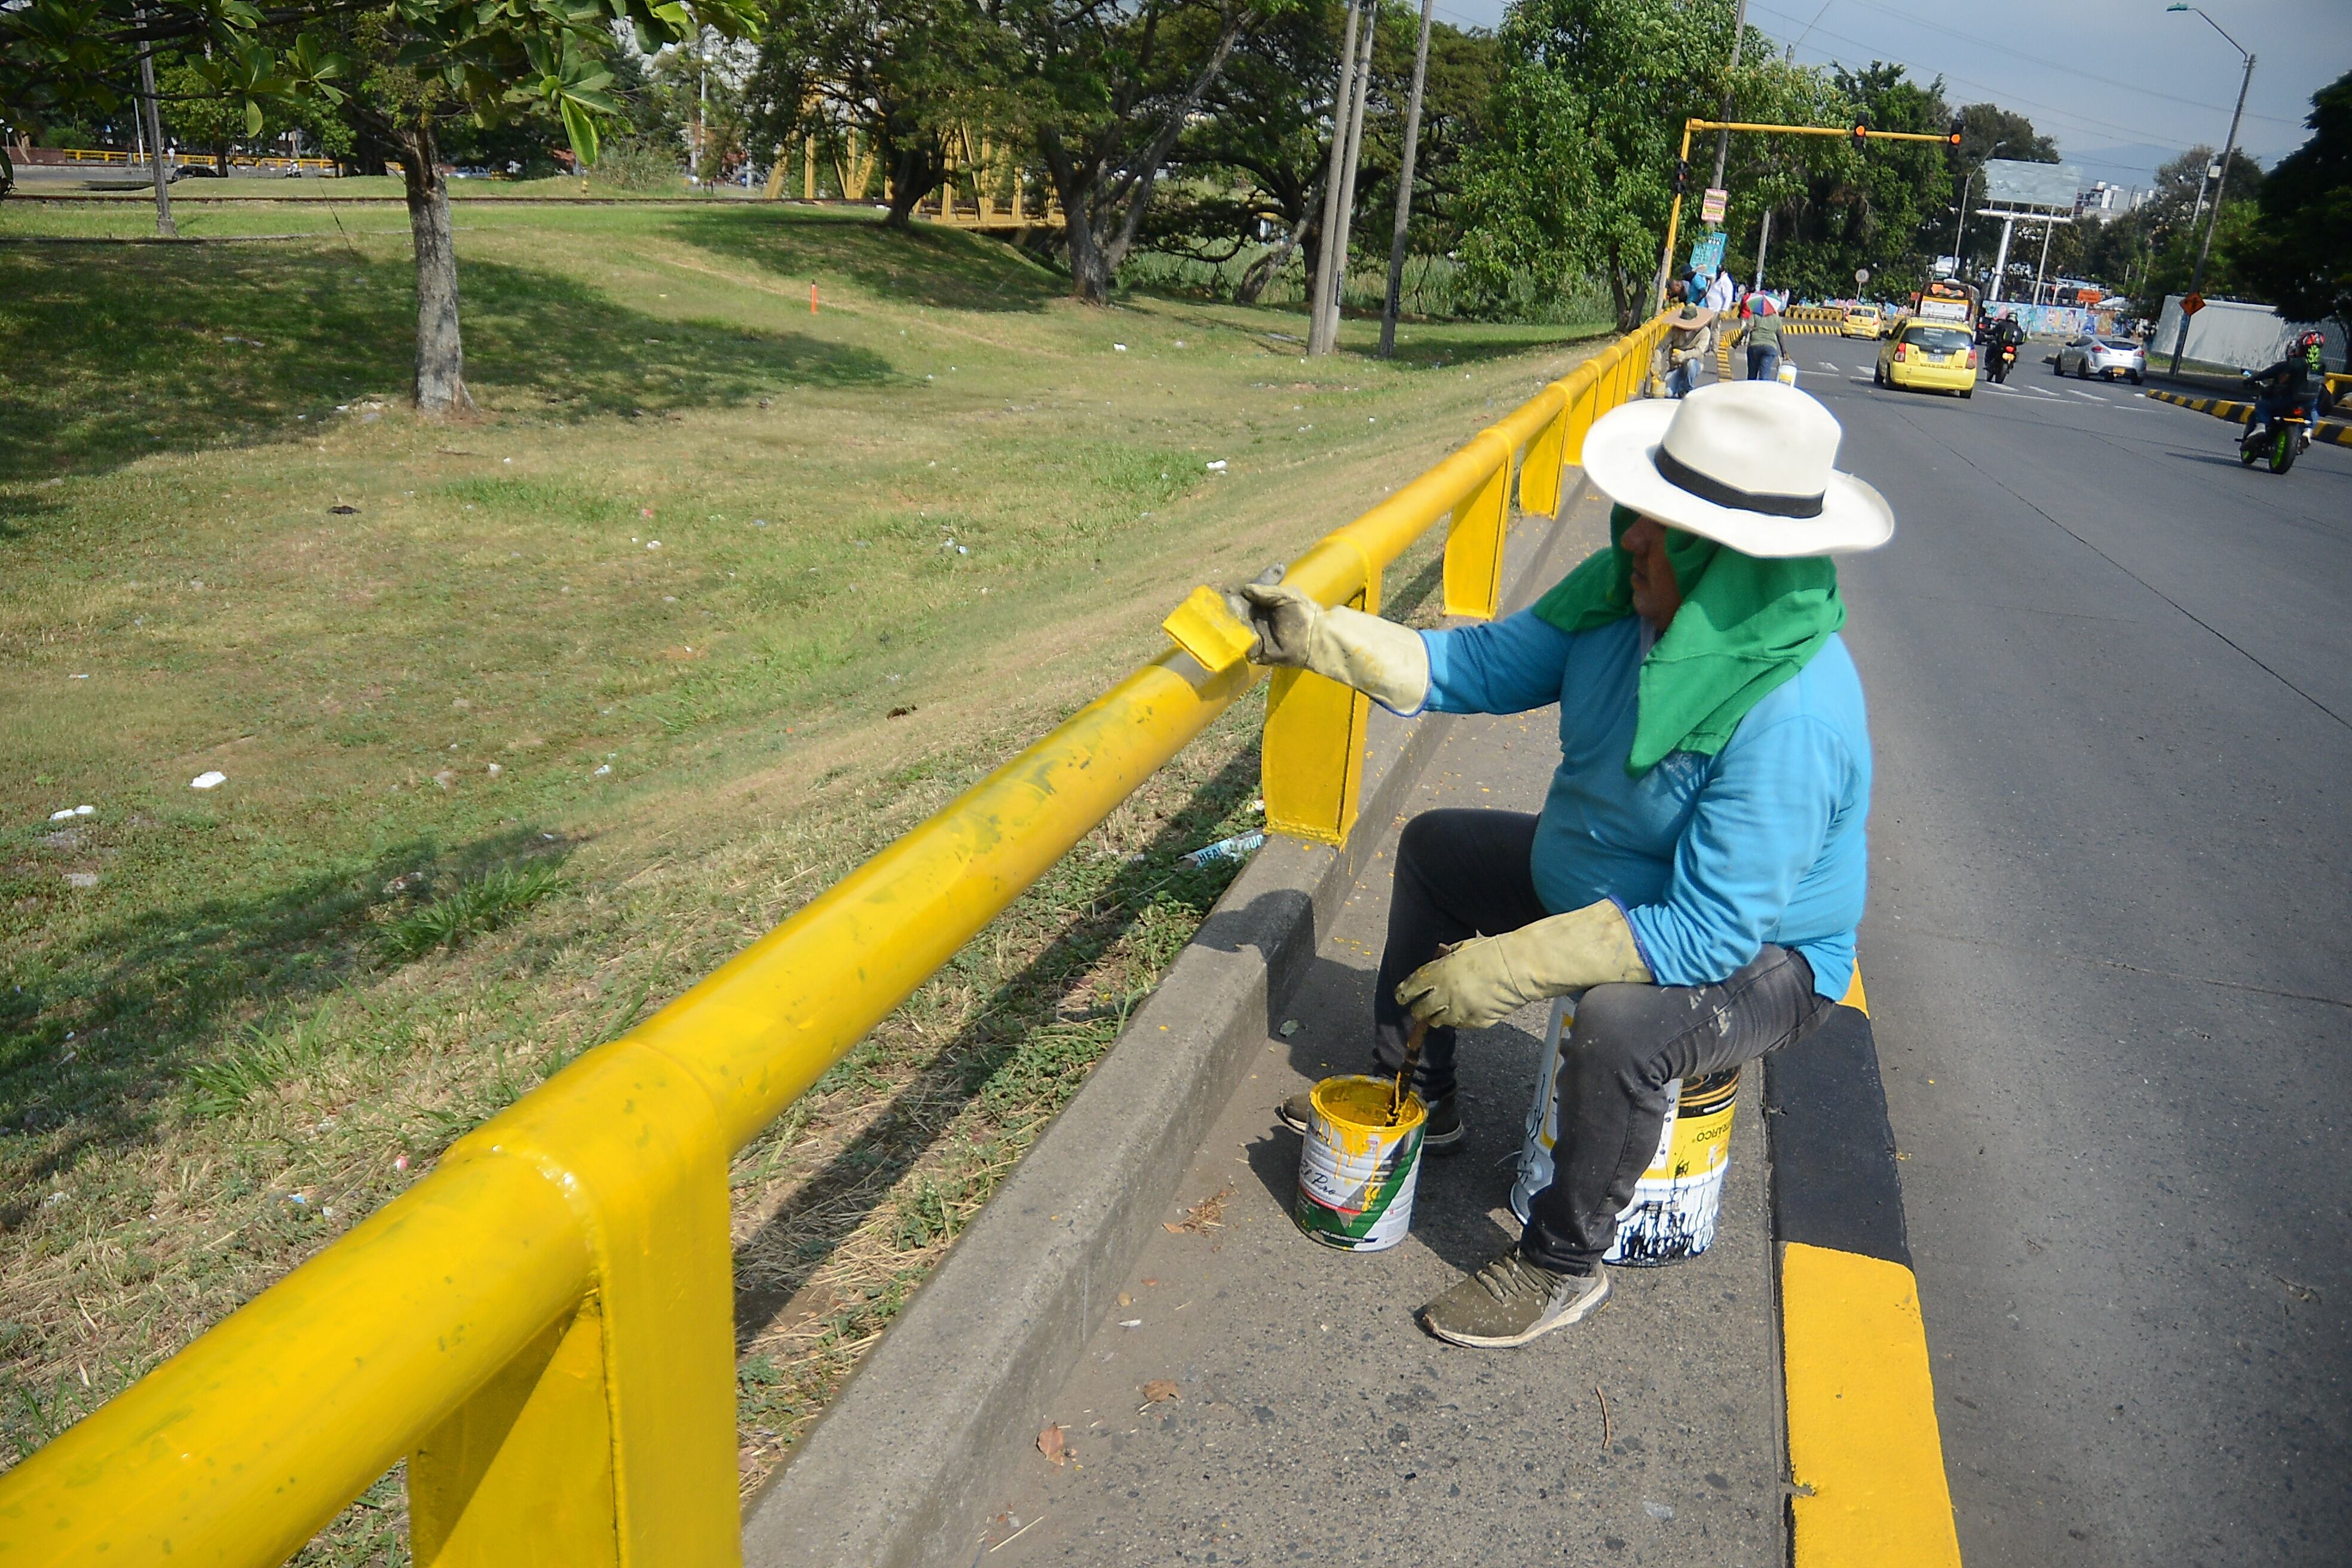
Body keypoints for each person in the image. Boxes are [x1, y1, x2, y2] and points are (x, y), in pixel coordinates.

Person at [1243, 381, 1891, 1348]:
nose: (1632, 536)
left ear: (1730, 565)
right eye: (1644, 509)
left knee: (1623, 1025)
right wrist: (1326, 637)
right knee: (1438, 849)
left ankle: (1560, 1262)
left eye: (1665, 529)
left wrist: (1510, 964)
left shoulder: (1791, 715)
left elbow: (1709, 930)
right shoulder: (1616, 601)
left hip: (1764, 956)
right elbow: (1481, 666)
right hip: (1605, 886)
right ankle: (1417, 1096)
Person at [2244, 330, 2325, 444]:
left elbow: (2282, 380)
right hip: (2309, 402)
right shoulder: (2322, 364)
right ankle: (2308, 431)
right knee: (2314, 411)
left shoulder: (2295, 363)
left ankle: (2261, 427)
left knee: (2262, 405)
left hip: (2290, 400)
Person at [1657, 300, 1714, 399]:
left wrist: (1684, 355)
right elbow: (1661, 346)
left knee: (1690, 364)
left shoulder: (1704, 332)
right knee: (1667, 393)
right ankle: (1678, 385)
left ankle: (1687, 389)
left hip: (1694, 364)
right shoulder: (1675, 330)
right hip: (1676, 366)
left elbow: (1700, 350)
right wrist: (1657, 361)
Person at [1741, 293, 1784, 381]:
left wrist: (1738, 339)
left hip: (1754, 346)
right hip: (1770, 347)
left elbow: (1748, 328)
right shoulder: (1776, 319)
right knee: (1764, 377)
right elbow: (1780, 336)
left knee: (1752, 376)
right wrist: (1784, 353)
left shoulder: (1754, 315)